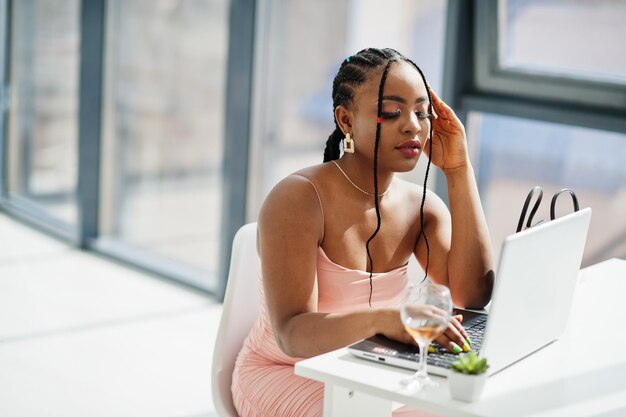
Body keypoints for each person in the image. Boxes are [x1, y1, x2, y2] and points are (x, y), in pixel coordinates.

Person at [231, 47, 494, 417]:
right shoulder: (298, 200)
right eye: (392, 111)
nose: (413, 125)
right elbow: (291, 335)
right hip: (285, 372)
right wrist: (386, 319)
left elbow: (473, 294)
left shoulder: (424, 207)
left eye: (422, 112)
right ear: (346, 120)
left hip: (370, 371)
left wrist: (459, 169)